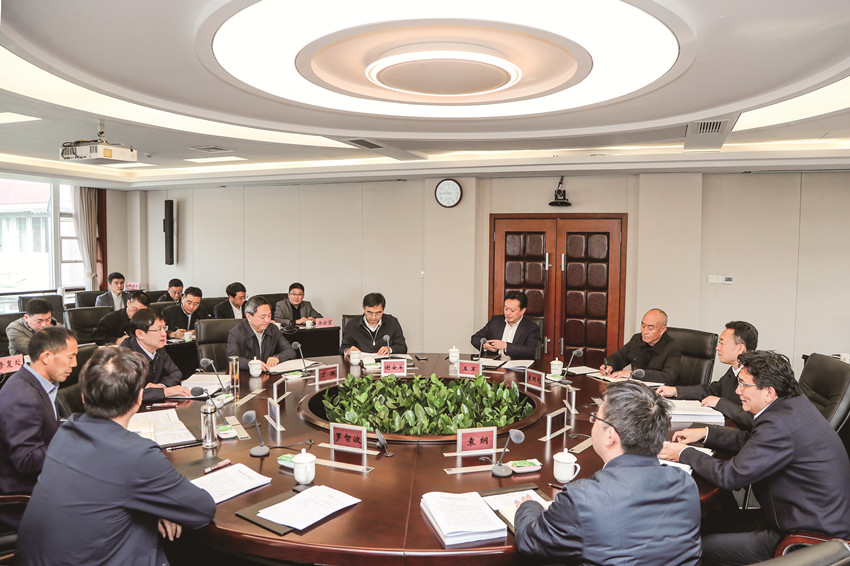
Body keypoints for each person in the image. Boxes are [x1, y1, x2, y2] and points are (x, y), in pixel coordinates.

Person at [16, 346, 216, 566]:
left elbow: (103, 492)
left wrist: (158, 505)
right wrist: (162, 506)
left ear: (83, 398)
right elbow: (201, 510)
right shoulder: (137, 454)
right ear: (139, 399)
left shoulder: (65, 433)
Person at [659, 350, 850, 566]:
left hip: (805, 534)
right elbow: (755, 441)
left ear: (768, 392)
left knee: (696, 547)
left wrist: (683, 453)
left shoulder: (778, 425)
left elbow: (730, 476)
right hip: (797, 513)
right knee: (708, 521)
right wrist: (706, 433)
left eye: (744, 385)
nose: (737, 391)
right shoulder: (793, 404)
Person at [514, 380, 700, 564]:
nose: (593, 422)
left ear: (610, 436)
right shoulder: (685, 484)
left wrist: (529, 507)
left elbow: (530, 541)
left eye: (596, 418)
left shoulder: (583, 498)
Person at [0, 326, 78, 530]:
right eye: (71, 357)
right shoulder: (24, 397)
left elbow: (47, 426)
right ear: (46, 357)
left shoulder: (35, 383)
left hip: (43, 479)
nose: (75, 364)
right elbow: (27, 460)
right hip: (24, 497)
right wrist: (75, 446)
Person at [657, 320, 757, 429]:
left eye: (722, 343)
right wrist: (675, 391)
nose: (717, 348)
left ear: (740, 348)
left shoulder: (755, 376)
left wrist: (719, 402)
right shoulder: (734, 370)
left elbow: (751, 419)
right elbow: (710, 390)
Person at [120, 309, 192, 403]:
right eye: (158, 330)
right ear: (140, 334)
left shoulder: (157, 348)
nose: (164, 334)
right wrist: (164, 392)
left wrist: (161, 386)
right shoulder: (124, 356)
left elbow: (175, 372)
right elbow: (128, 395)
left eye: (164, 328)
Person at [600, 308, 682, 385]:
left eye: (650, 328)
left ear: (662, 330)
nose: (644, 332)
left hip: (658, 392)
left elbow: (669, 377)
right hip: (635, 388)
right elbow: (619, 357)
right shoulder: (637, 339)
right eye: (643, 326)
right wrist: (609, 366)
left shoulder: (672, 347)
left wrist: (633, 373)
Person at [226, 296, 295, 371]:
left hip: (268, 373)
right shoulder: (236, 333)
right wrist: (253, 364)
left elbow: (290, 351)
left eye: (269, 316)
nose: (267, 320)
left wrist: (277, 358)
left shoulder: (273, 329)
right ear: (249, 316)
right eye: (263, 317)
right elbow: (233, 359)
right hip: (246, 375)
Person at [470, 291, 540, 359]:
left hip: (516, 364)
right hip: (493, 362)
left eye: (512, 310)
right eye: (506, 309)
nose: (508, 313)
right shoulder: (496, 321)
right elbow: (475, 338)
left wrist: (506, 346)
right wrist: (485, 346)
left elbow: (530, 350)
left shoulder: (531, 327)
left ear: (522, 311)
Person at [340, 292, 407, 356]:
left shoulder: (392, 322)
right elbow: (342, 349)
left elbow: (402, 347)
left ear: (383, 310)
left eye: (378, 313)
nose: (373, 317)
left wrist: (389, 349)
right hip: (361, 362)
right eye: (369, 313)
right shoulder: (352, 325)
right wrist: (348, 351)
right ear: (363, 308)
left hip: (384, 362)